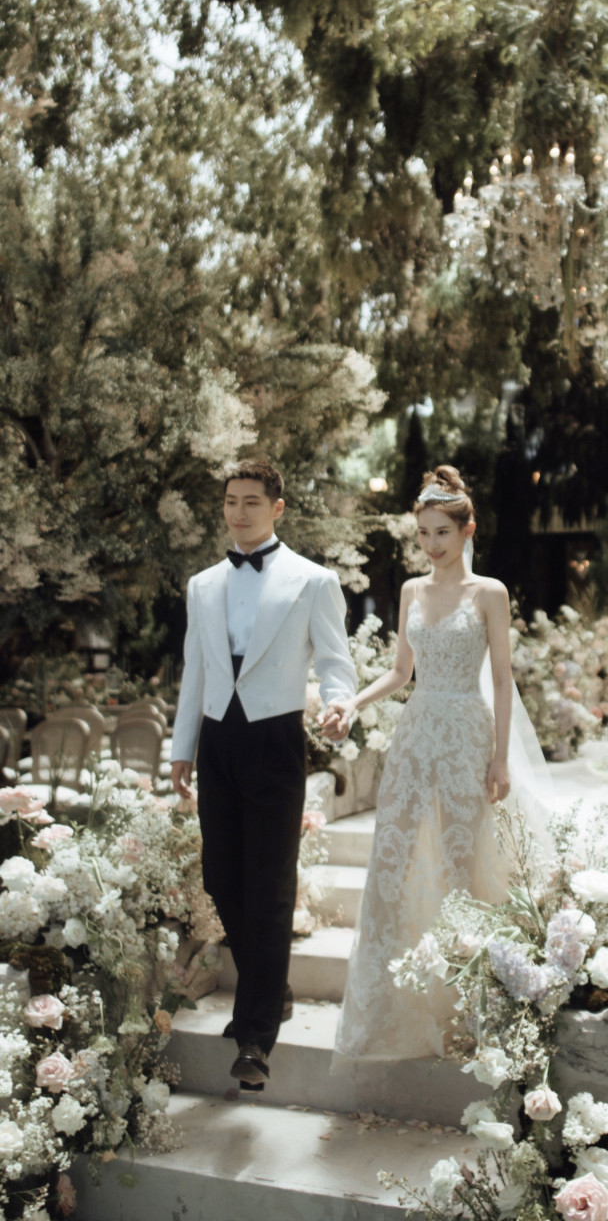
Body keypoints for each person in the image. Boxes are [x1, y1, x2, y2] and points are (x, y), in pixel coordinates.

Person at [170, 458, 357, 1090]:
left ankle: (254, 1039)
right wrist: (182, 747)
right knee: (221, 877)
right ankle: (272, 989)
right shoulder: (202, 585)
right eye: (231, 501)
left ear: (277, 508)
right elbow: (195, 670)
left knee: (271, 884)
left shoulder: (313, 581)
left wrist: (340, 703)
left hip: (276, 739)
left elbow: (336, 661)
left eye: (252, 501)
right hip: (218, 740)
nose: (239, 512)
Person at [333, 465, 514, 1060]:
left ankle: (468, 1006)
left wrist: (500, 758)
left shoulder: (489, 593)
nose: (432, 545)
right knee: (397, 857)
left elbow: (503, 680)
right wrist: (352, 703)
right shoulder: (412, 591)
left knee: (462, 860)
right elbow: (400, 672)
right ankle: (393, 1007)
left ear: (467, 531)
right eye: (424, 534)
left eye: (442, 533)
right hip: (415, 734)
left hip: (466, 734)